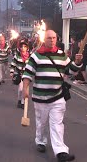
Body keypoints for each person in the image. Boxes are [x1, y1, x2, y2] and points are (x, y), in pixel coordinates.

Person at [22, 30, 82, 162]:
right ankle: (41, 141)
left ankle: (60, 151)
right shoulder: (36, 56)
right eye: (49, 38)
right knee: (41, 122)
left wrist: (77, 63)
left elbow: (70, 71)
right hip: (40, 97)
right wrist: (25, 89)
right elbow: (27, 73)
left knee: (57, 124)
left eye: (54, 38)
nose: (52, 40)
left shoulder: (61, 55)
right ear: (44, 39)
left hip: (57, 97)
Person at [10, 38, 30, 108]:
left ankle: (22, 102)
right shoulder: (17, 56)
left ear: (27, 48)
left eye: (24, 46)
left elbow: (32, 66)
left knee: (25, 88)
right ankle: (19, 100)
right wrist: (12, 72)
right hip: (19, 74)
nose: (23, 48)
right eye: (21, 47)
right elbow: (13, 64)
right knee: (20, 89)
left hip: (27, 75)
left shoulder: (30, 56)